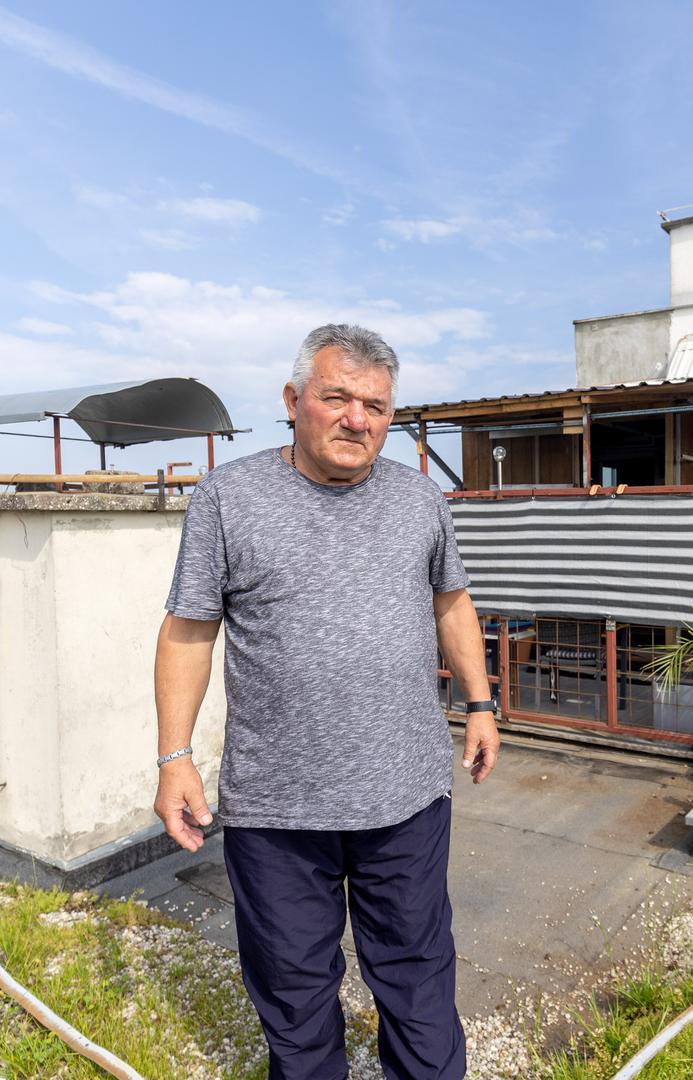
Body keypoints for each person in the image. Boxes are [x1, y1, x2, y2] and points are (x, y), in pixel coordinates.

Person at [152, 323, 499, 1079]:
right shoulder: (228, 498)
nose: (356, 419)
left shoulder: (419, 499)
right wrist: (174, 758)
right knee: (293, 986)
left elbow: (452, 602)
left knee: (416, 974)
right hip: (278, 806)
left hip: (405, 795)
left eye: (374, 405)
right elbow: (188, 630)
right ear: (293, 400)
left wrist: (480, 704)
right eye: (336, 396)